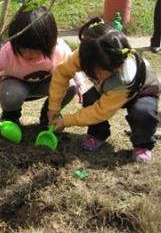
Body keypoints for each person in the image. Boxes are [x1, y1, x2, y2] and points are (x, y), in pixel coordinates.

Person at [48, 17, 160, 163]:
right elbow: (61, 74)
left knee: (142, 113)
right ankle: (97, 134)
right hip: (108, 89)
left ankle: (143, 144)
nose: (117, 68)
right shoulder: (84, 55)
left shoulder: (124, 76)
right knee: (90, 99)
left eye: (114, 68)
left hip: (140, 91)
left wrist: (67, 121)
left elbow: (100, 111)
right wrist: (54, 107)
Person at [0, 6, 84, 127]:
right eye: (24, 49)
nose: (30, 55)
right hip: (15, 86)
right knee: (11, 94)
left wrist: (80, 84)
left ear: (50, 43)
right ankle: (10, 117)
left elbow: (71, 65)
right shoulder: (8, 52)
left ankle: (48, 115)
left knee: (70, 86)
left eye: (36, 51)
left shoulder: (58, 49)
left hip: (47, 84)